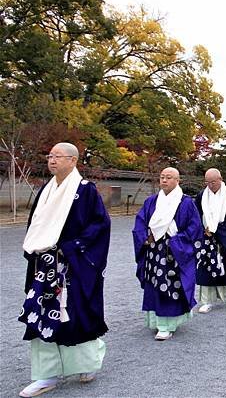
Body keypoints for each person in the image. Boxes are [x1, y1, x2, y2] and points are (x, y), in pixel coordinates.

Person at [18, 143, 110, 397]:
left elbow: (100, 225)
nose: (51, 160)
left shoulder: (85, 191)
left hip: (71, 264)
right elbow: (35, 225)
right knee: (40, 314)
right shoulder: (45, 190)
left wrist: (72, 247)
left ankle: (87, 364)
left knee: (75, 313)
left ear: (73, 160)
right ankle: (45, 375)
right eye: (49, 156)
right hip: (43, 263)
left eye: (57, 156)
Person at [132, 167, 201, 340]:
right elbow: (140, 222)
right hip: (154, 250)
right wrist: (144, 238)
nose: (164, 180)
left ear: (177, 180)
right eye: (162, 177)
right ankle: (157, 321)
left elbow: (194, 228)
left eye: (168, 177)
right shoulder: (151, 201)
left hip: (174, 251)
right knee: (154, 285)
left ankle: (167, 325)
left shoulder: (186, 202)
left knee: (170, 286)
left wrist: (176, 241)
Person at [194, 168, 226, 313]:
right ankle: (206, 301)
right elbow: (196, 214)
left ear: (220, 179)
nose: (210, 185)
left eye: (213, 182)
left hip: (225, 235)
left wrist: (220, 227)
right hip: (207, 235)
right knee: (205, 266)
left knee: (225, 266)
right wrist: (204, 228)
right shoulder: (202, 195)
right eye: (207, 182)